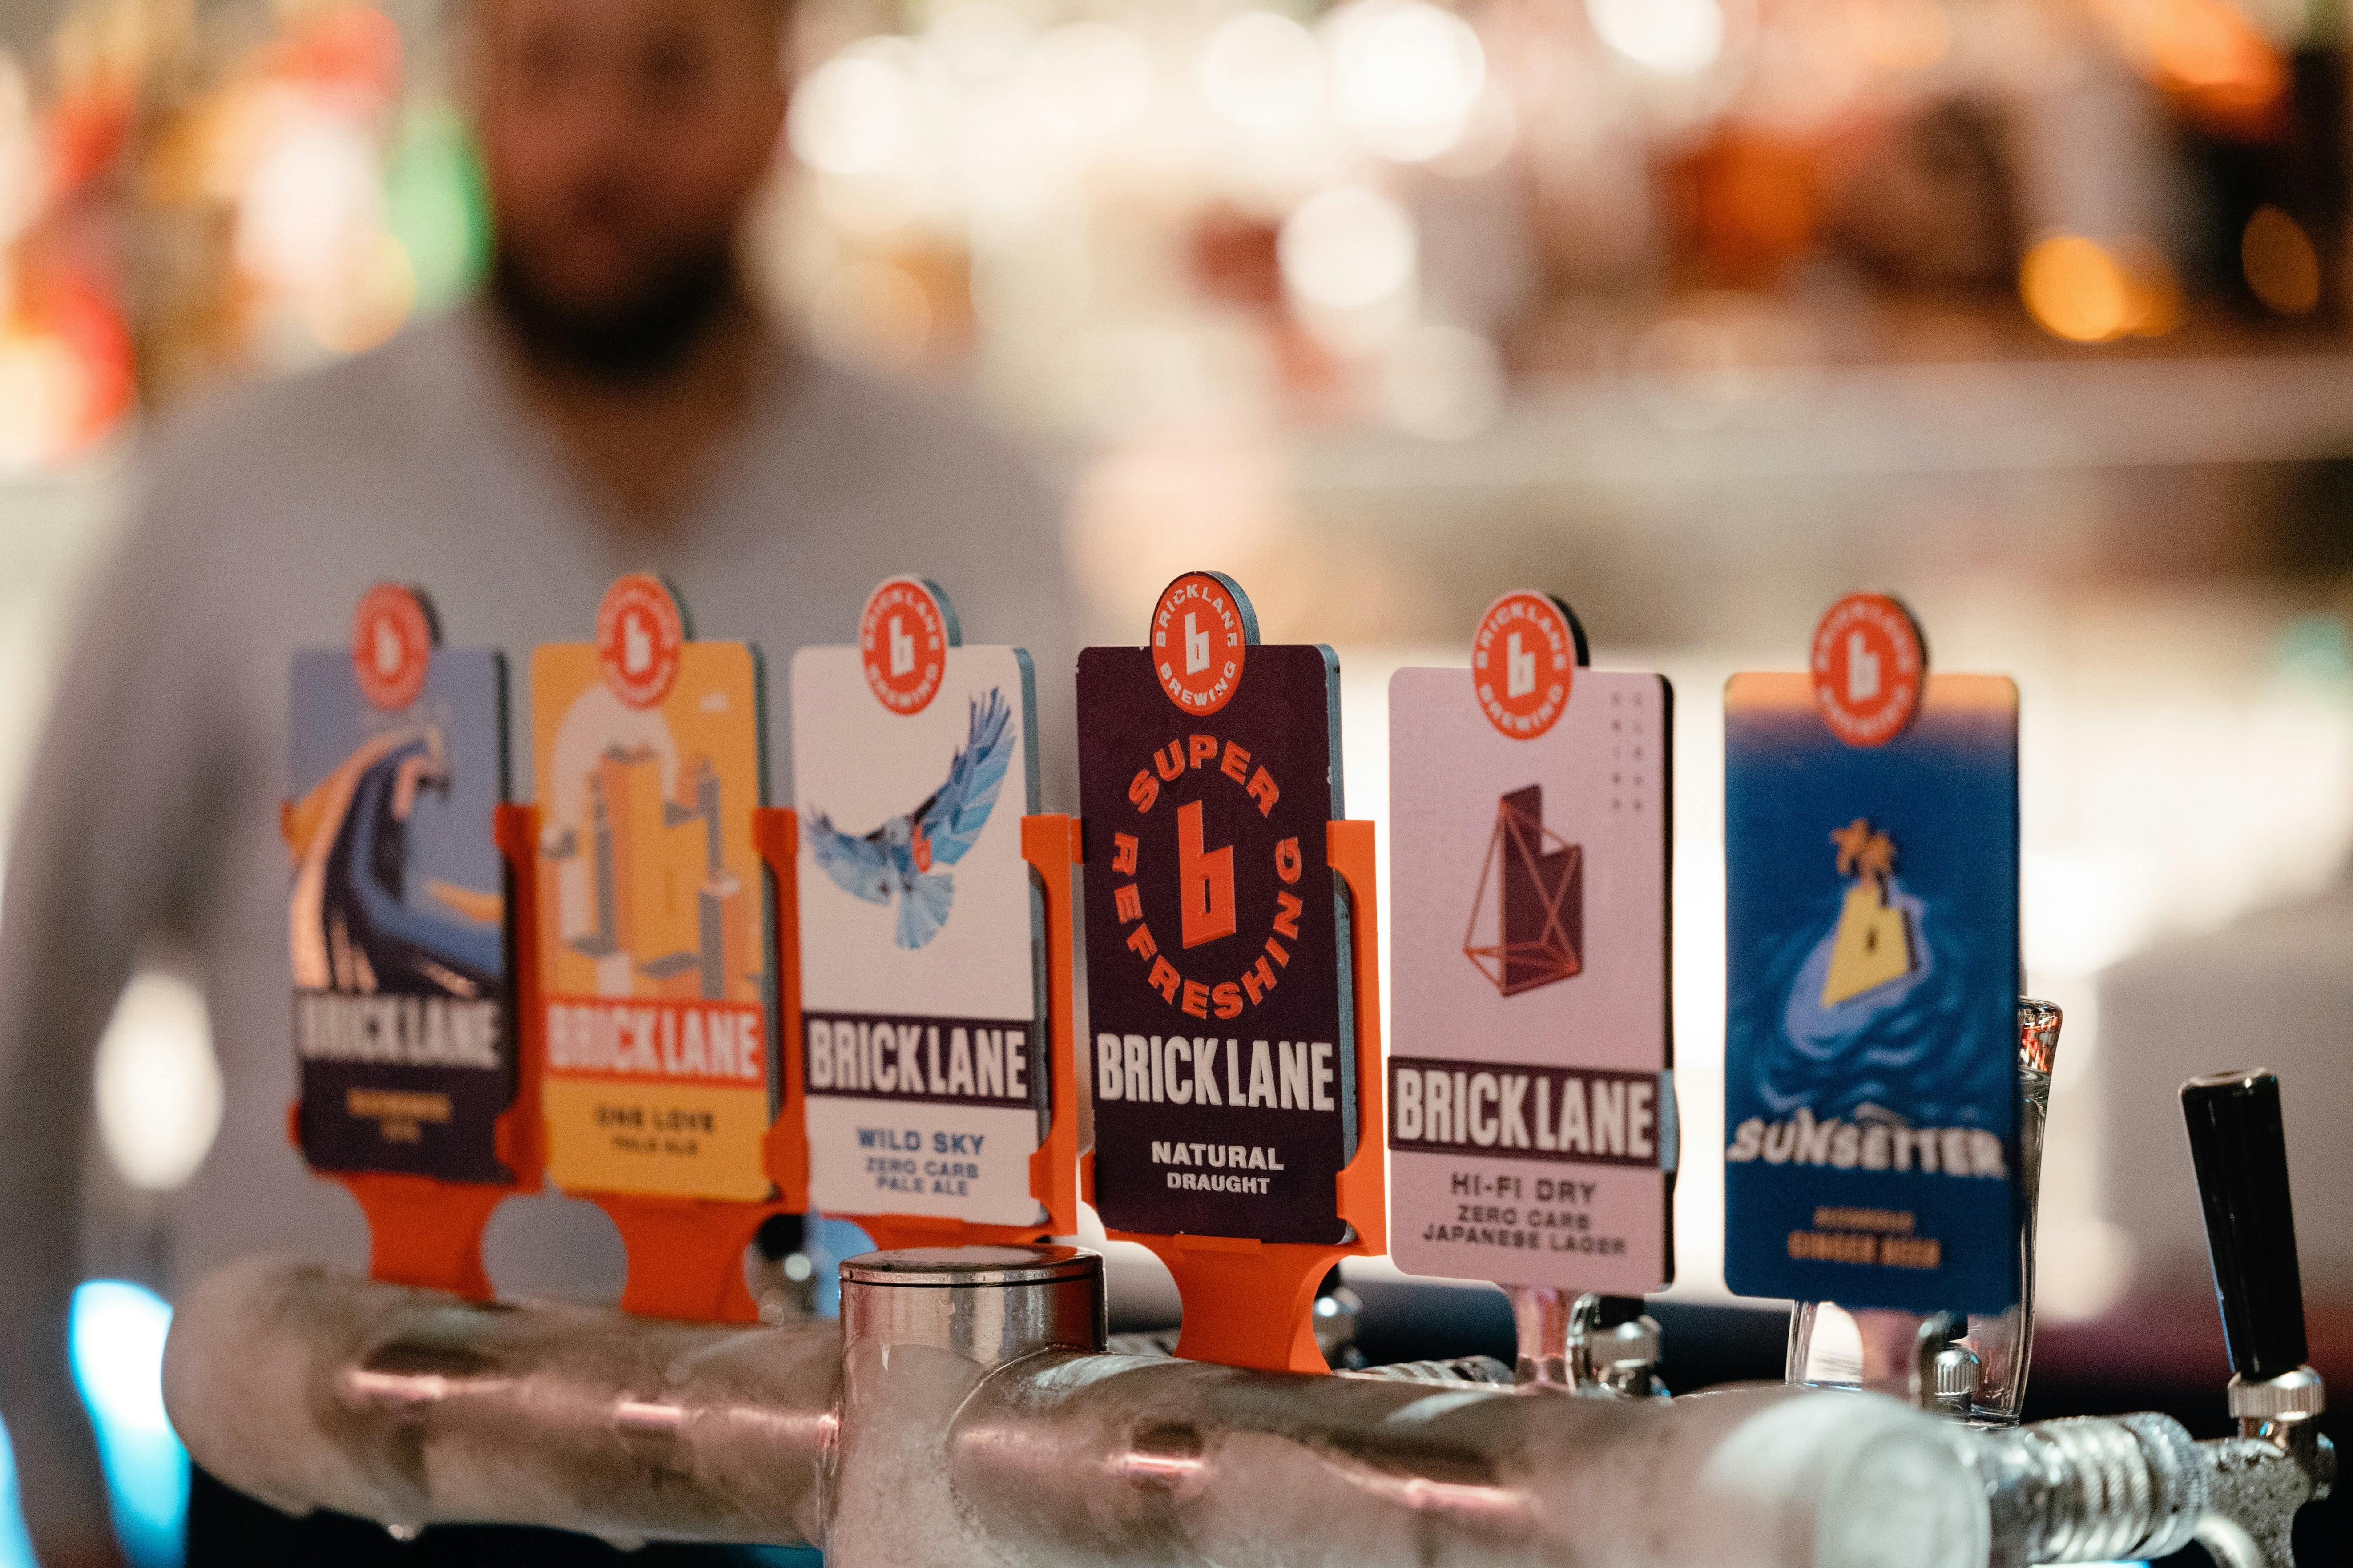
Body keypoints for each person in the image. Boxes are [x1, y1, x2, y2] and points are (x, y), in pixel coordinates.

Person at [0, 0, 1077, 1559]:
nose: (599, 145)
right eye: (547, 66)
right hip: (333, 1483)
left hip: (806, 1483)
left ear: (780, 91)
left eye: (668, 71)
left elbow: (1077, 1035)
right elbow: (29, 1037)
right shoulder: (244, 492)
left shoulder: (965, 506)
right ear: (468, 89)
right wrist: (61, 1507)